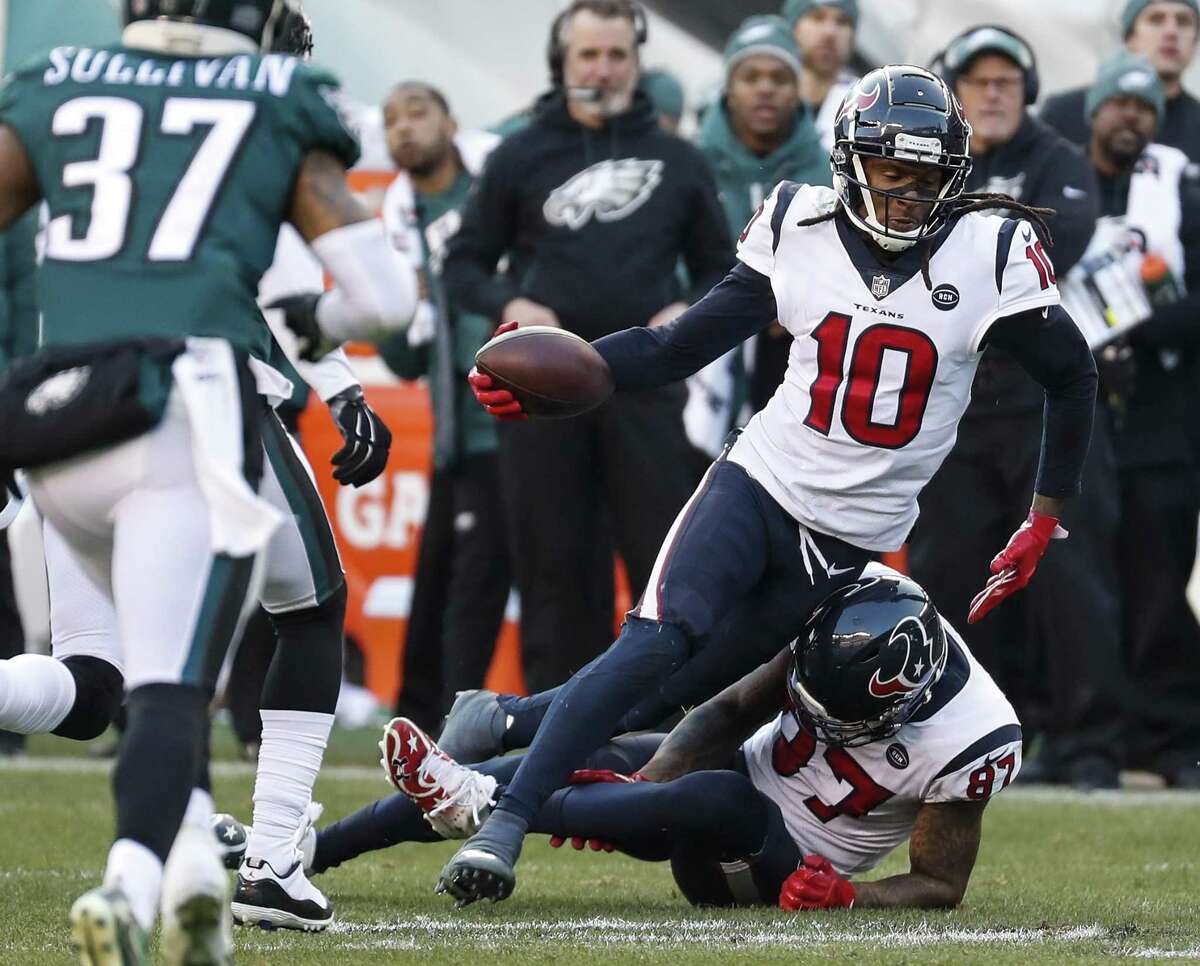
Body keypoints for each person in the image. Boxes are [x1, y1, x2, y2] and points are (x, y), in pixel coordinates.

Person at [444, 64, 1096, 906]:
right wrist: (584, 368)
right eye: (891, 173)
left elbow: (1072, 378)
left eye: (926, 177)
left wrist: (1044, 518)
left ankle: (505, 722)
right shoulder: (799, 223)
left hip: (849, 537)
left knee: (676, 690)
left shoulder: (991, 252)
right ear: (852, 162)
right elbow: (683, 345)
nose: (906, 195)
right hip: (762, 479)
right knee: (658, 641)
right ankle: (502, 824)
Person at [0, 2, 416, 961]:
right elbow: (363, 292)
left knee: (102, 686)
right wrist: (332, 360)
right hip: (192, 406)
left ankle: (191, 863)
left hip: (62, 410)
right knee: (274, 627)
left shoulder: (60, 78)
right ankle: (232, 866)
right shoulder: (268, 100)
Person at [300, 568, 1023, 911]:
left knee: (720, 798)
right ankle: (308, 851)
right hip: (717, 784)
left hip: (775, 866)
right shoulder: (853, 600)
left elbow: (940, 884)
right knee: (595, 759)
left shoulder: (974, 737)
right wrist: (644, 786)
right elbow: (732, 709)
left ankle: (475, 797)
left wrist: (849, 896)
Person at [442, 0, 731, 693]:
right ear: (561, 63)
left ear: (636, 63)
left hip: (646, 388)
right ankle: (553, 737)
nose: (603, 70)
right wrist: (511, 302)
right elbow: (461, 264)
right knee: (554, 569)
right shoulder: (520, 153)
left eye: (616, 56)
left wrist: (687, 308)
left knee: (665, 565)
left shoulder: (677, 159)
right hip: (542, 397)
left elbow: (728, 267)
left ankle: (663, 735)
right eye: (588, 56)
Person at [910, 26, 1122, 789]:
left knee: (1069, 571)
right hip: (955, 404)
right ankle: (967, 730)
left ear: (1027, 90)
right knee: (952, 566)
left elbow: (1050, 244)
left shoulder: (1059, 159)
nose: (992, 92)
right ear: (954, 90)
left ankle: (1090, 739)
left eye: (1006, 80)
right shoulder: (930, 156)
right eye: (978, 80)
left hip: (1041, 398)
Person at [1058, 53, 1200, 788]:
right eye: (1121, 105)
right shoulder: (1062, 189)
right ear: (1096, 111)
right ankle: (1085, 739)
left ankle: (1171, 736)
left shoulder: (1182, 189)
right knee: (1078, 582)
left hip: (1158, 414)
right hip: (1076, 414)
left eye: (1146, 108)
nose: (1133, 118)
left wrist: (1123, 326)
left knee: (1158, 578)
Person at [375, 81, 510, 733]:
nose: (404, 128)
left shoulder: (493, 196)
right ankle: (414, 724)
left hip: (509, 427)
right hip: (453, 436)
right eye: (391, 120)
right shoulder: (397, 223)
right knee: (434, 588)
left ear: (453, 122)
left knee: (476, 591)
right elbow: (402, 361)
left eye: (418, 113)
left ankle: (452, 729)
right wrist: (399, 308)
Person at [695, 15, 827, 418]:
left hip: (787, 353)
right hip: (698, 344)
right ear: (729, 89)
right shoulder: (692, 164)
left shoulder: (828, 176)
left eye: (780, 77)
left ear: (797, 90)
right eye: (751, 76)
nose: (766, 88)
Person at [1040, 0, 1200, 161]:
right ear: (1129, 38)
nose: (1171, 32)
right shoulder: (1065, 113)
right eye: (1156, 20)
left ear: (1195, 41)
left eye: (1183, 22)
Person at [783, 0, 860, 154]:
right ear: (793, 28)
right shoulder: (758, 97)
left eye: (842, 21)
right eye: (817, 17)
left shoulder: (866, 110)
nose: (830, 32)